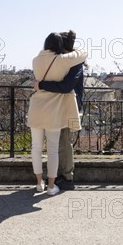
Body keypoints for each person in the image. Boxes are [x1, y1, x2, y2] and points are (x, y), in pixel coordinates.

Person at [27, 33, 87, 196]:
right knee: (55, 147)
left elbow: (64, 85)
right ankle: (55, 183)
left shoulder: (36, 60)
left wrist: (41, 84)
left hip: (38, 108)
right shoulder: (65, 61)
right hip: (56, 108)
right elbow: (83, 53)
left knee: (37, 147)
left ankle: (41, 182)